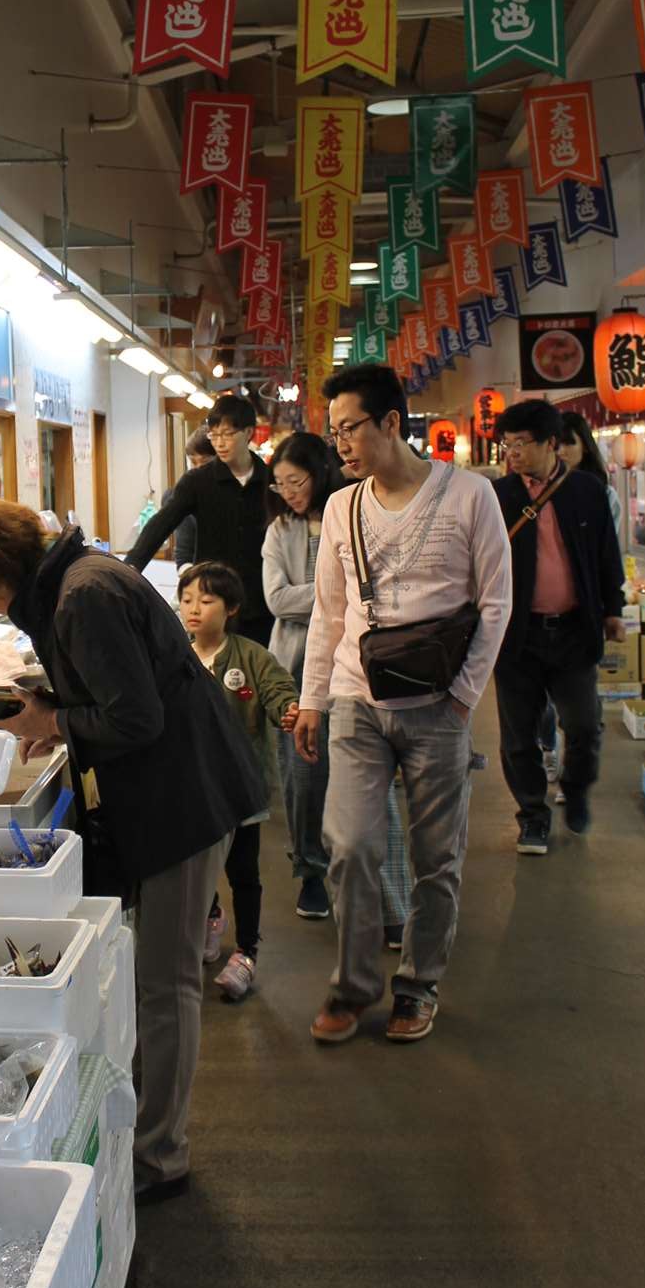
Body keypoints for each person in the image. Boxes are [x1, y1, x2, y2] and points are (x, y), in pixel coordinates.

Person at [0, 498, 265, 1204]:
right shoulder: (76, 581)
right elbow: (121, 690)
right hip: (177, 788)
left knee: (166, 986)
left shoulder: (82, 595)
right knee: (159, 979)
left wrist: (52, 717)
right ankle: (146, 1132)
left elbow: (136, 716)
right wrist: (54, 704)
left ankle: (158, 1157)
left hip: (183, 798)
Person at [294, 365, 511, 1046]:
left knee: (435, 855)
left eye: (351, 428)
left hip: (437, 705)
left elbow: (497, 600)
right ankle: (354, 987)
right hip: (358, 700)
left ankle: (418, 983)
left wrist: (462, 698)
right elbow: (330, 612)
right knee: (351, 843)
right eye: (334, 434)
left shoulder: (470, 495)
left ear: (392, 422)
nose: (343, 445)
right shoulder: (341, 507)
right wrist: (312, 700)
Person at [263, 432, 412, 943]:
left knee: (374, 793)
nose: (287, 492)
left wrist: (343, 596)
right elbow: (278, 601)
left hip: (357, 671)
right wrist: (339, 592)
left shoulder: (352, 513)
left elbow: (377, 591)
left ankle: (392, 902)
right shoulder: (278, 532)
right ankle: (310, 874)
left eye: (296, 480)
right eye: (279, 483)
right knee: (301, 783)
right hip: (292, 671)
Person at [493, 399, 626, 856]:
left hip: (573, 631)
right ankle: (532, 815)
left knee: (584, 726)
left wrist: (614, 609)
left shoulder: (587, 491)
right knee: (518, 737)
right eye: (507, 445)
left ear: (552, 444)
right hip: (517, 636)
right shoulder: (500, 496)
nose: (512, 453)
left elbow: (608, 556)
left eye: (521, 444)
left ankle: (577, 787)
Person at [176, 561, 299, 1001]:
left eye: (206, 601)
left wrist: (287, 709)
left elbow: (277, 689)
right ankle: (211, 920)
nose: (194, 609)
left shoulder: (250, 656)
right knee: (197, 867)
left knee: (243, 872)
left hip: (240, 787)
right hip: (189, 788)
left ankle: (246, 952)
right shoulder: (173, 654)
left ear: (230, 609)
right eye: (187, 599)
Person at [126, 394, 274, 645]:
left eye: (227, 434)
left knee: (258, 674)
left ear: (249, 432)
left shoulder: (270, 481)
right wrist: (130, 568)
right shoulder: (198, 482)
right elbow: (163, 523)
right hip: (211, 602)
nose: (220, 443)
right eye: (214, 435)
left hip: (261, 602)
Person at [559, 411, 623, 540]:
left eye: (569, 443)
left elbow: (605, 545)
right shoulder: (541, 490)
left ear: (585, 446)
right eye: (556, 444)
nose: (560, 451)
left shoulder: (605, 494)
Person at [159, 425, 215, 569]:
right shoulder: (179, 496)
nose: (197, 469)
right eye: (193, 462)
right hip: (194, 574)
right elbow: (183, 552)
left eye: (205, 462)